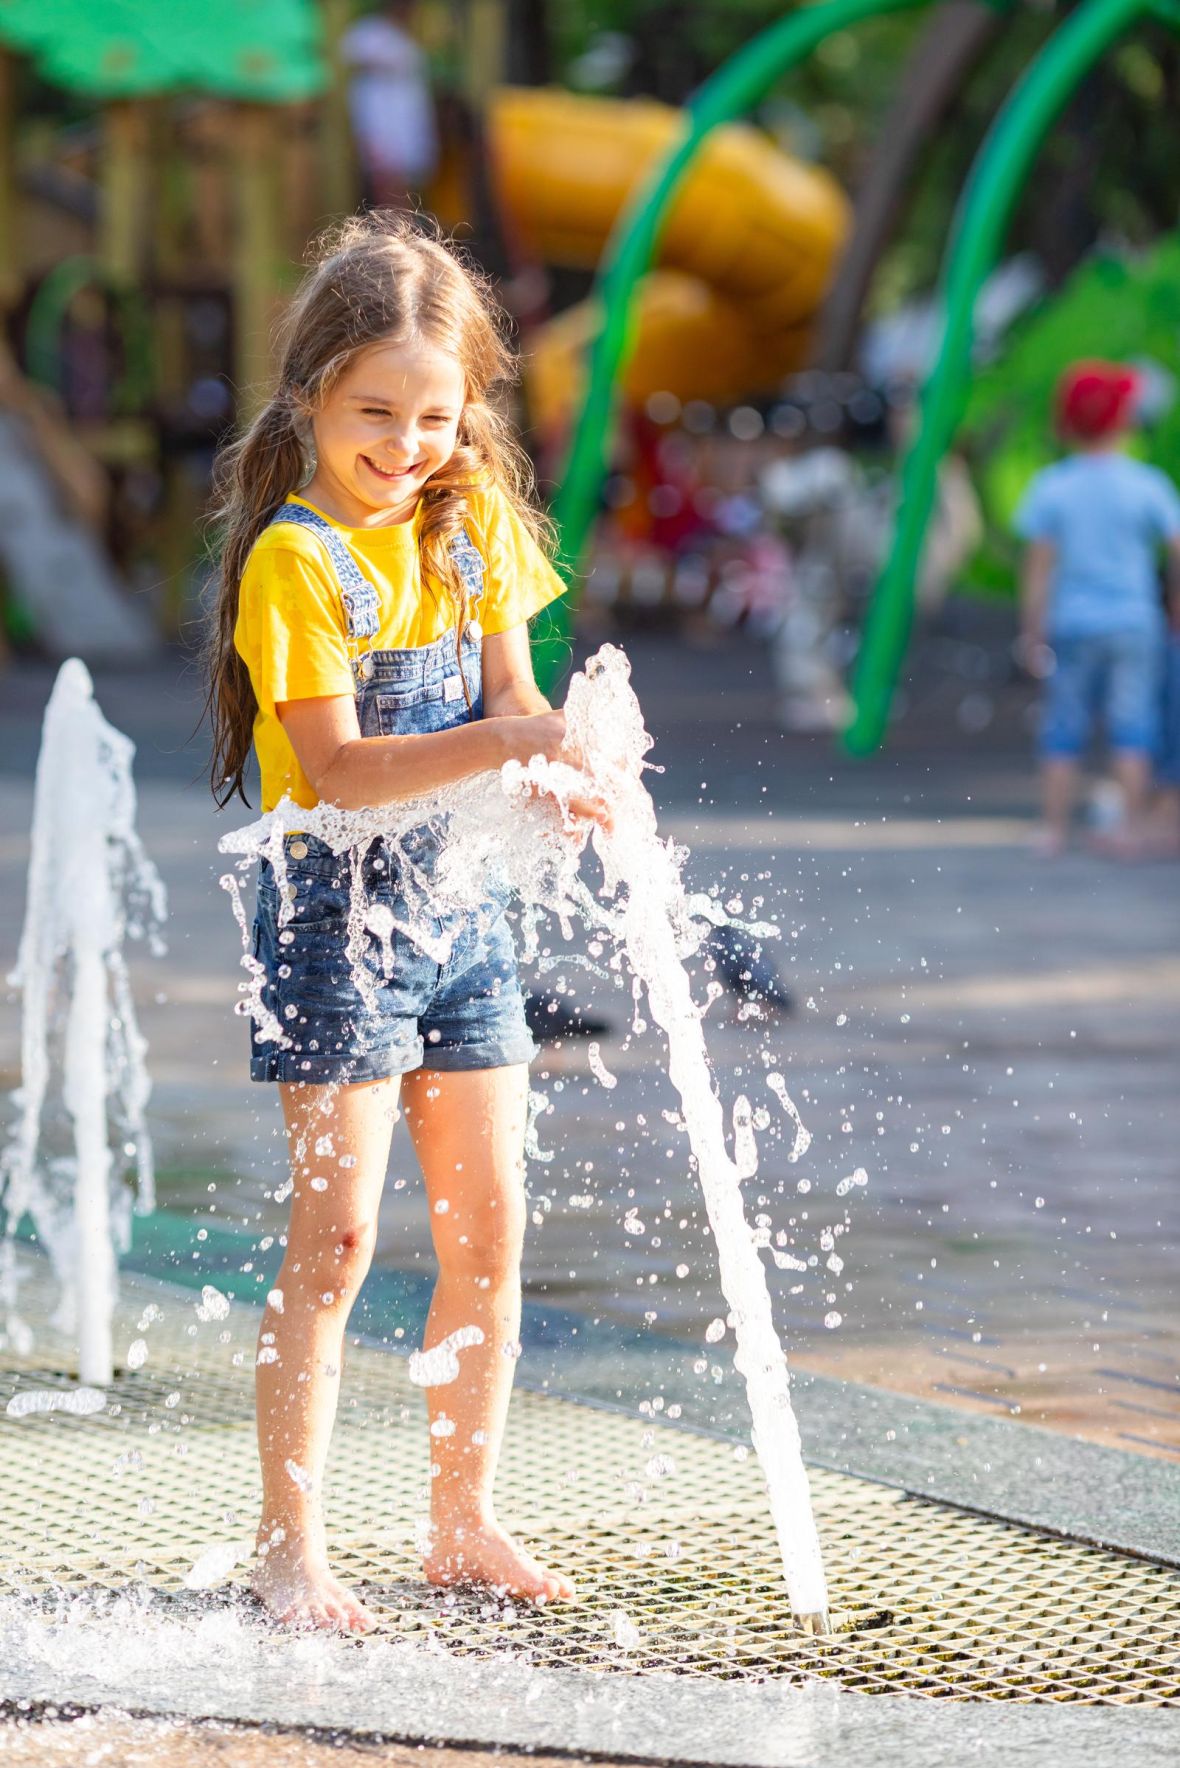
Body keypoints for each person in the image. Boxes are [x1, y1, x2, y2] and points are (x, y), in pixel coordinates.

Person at [203, 213, 606, 1631]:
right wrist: (516, 746)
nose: (408, 442)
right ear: (310, 395)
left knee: (490, 1229)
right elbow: (348, 769)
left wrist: (565, 768)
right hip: (332, 919)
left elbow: (510, 704)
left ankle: (463, 1519)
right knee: (337, 1242)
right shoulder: (296, 564)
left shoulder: (473, 520)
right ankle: (291, 1548)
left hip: (464, 911)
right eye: (376, 412)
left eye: (437, 415)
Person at [1015, 360, 1180, 857]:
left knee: (1063, 726)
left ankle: (1053, 829)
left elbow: (1039, 569)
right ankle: (1133, 828)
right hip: (1135, 622)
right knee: (1134, 725)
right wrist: (1174, 604)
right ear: (1125, 420)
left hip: (1073, 623)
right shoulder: (1146, 484)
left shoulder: (1052, 486)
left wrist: (1031, 629)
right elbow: (1176, 549)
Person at [341, 2, 439, 212]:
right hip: (381, 126)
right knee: (386, 186)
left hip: (407, 126)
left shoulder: (411, 39)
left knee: (404, 188)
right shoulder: (368, 34)